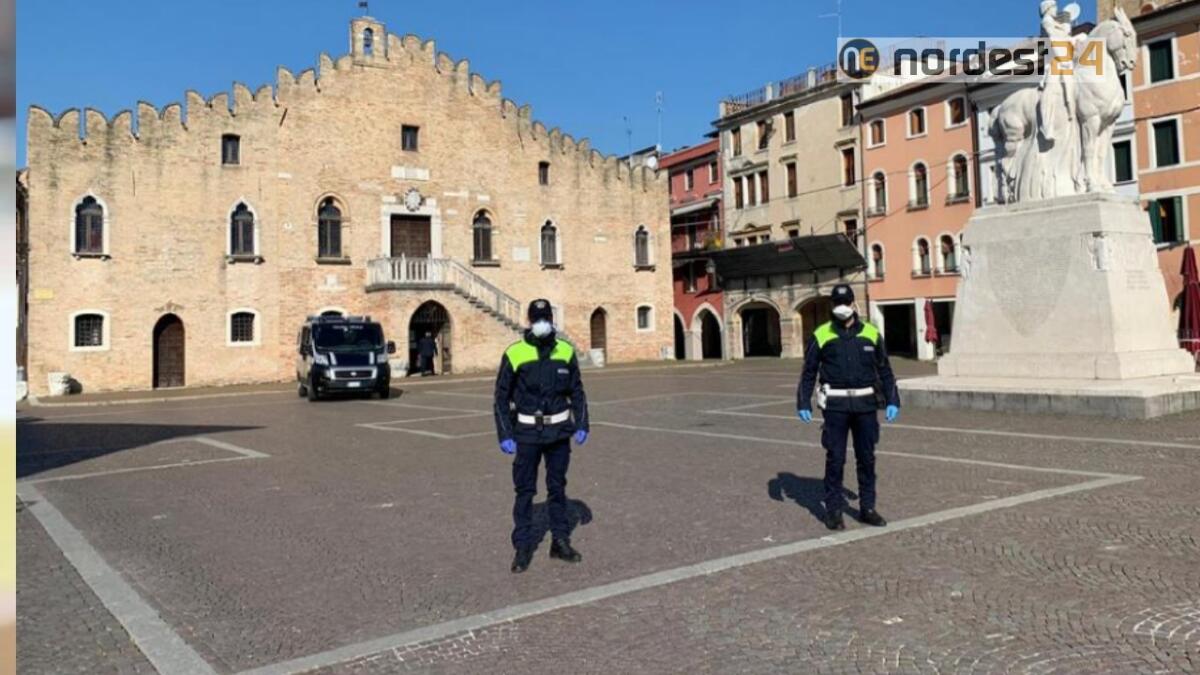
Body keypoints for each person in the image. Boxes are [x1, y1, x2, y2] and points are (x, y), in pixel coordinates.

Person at [493, 299, 590, 573]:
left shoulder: (566, 351)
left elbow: (578, 391)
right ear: (529, 321)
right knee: (524, 491)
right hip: (526, 434)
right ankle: (523, 546)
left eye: (545, 318)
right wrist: (505, 432)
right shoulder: (515, 353)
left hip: (559, 432)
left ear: (551, 319)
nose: (541, 323)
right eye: (536, 319)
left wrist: (582, 423)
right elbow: (500, 396)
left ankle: (559, 541)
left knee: (557, 488)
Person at [796, 284, 899, 531]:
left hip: (865, 405)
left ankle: (868, 508)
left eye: (846, 302)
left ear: (854, 304)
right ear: (833, 306)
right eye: (837, 302)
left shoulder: (872, 334)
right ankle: (833, 511)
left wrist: (893, 399)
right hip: (836, 407)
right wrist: (803, 401)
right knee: (835, 459)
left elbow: (884, 369)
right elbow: (809, 371)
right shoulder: (821, 334)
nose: (842, 307)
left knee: (866, 459)